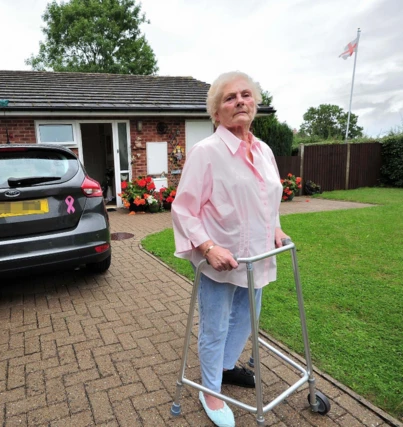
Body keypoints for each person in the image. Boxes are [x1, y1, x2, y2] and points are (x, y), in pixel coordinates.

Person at [171, 71, 289, 427]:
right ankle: (209, 390)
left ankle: (224, 368)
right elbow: (184, 208)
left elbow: (268, 197)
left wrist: (277, 227)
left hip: (256, 256)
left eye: (246, 95)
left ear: (254, 103)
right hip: (220, 259)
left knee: (244, 320)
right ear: (216, 114)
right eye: (229, 98)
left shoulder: (264, 150)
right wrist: (207, 247)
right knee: (215, 326)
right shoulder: (206, 152)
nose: (240, 101)